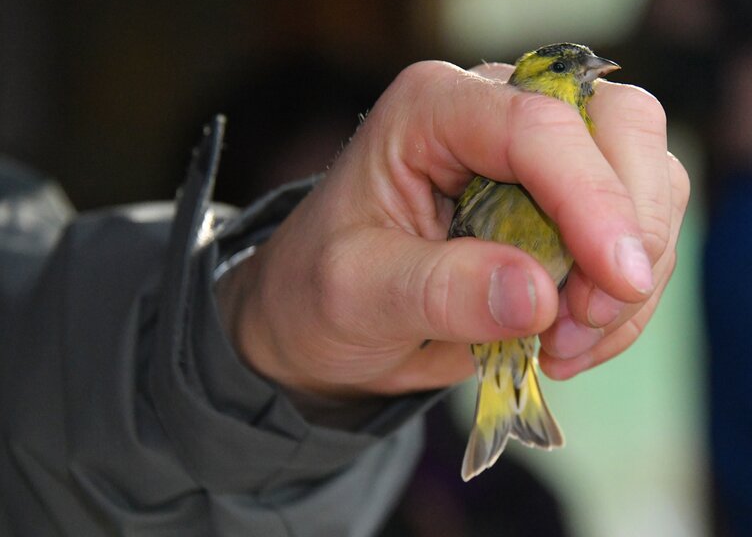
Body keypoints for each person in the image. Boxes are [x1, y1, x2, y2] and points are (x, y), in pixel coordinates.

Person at [0, 59, 689, 536]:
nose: (347, 240)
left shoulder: (508, 500)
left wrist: (227, 350)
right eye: (296, 202)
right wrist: (243, 339)